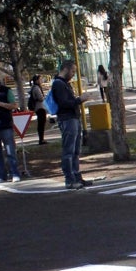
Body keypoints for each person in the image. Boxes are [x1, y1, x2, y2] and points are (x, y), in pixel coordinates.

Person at [51, 60, 94, 190]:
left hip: (73, 118)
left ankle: (76, 176)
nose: (73, 74)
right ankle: (69, 179)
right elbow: (64, 103)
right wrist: (79, 100)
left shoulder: (64, 84)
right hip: (67, 119)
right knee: (69, 151)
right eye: (73, 71)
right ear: (65, 69)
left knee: (75, 150)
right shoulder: (59, 84)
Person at [28, 75, 48, 145]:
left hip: (38, 107)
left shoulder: (34, 87)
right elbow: (40, 98)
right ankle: (41, 139)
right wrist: (44, 97)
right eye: (40, 79)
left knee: (41, 123)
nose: (41, 81)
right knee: (41, 123)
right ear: (36, 80)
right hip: (40, 107)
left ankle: (41, 138)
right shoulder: (36, 88)